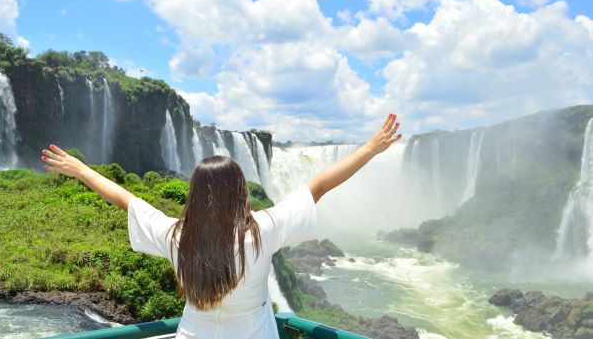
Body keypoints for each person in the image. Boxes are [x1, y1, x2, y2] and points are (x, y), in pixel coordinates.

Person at [41, 114, 401, 339]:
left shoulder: (177, 236)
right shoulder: (263, 229)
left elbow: (126, 200)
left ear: (195, 194)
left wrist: (83, 170)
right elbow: (319, 186)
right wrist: (370, 148)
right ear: (240, 192)